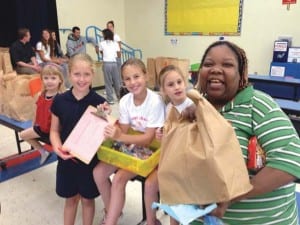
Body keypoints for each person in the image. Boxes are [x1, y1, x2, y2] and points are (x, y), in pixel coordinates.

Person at [182, 40, 300, 225]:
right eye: (208, 64)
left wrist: (232, 195)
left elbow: (291, 162)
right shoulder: (196, 109)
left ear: (241, 74)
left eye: (227, 64)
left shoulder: (258, 106)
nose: (215, 69)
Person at [93, 58, 165, 225]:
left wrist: (119, 136)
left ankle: (110, 220)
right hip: (130, 150)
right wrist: (106, 119)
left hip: (150, 154)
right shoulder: (125, 101)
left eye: (136, 76)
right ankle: (113, 210)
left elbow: (148, 139)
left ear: (146, 76)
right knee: (98, 173)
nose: (132, 82)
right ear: (123, 81)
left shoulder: (155, 101)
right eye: (127, 79)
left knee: (119, 179)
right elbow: (123, 130)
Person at [50, 53, 108, 225]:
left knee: (88, 200)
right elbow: (54, 131)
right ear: (69, 74)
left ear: (93, 75)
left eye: (86, 74)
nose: (82, 79)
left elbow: (102, 136)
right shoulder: (60, 101)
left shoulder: (99, 103)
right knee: (70, 200)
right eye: (77, 74)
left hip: (89, 162)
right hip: (67, 161)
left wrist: (105, 117)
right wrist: (57, 148)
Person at [147, 64, 194, 225]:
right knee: (173, 197)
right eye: (171, 85)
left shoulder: (192, 105)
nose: (176, 87)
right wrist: (161, 134)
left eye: (179, 82)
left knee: (185, 199)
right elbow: (168, 134)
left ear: (185, 82)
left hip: (189, 161)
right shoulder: (168, 108)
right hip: (173, 160)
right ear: (163, 90)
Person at [19, 63, 65, 165]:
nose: (49, 81)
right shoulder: (41, 95)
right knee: (22, 134)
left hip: (54, 131)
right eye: (46, 78)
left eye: (53, 78)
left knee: (62, 153)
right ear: (42, 80)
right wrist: (33, 125)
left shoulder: (61, 97)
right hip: (41, 128)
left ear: (60, 80)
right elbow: (37, 111)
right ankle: (43, 152)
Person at [98, 28, 121, 104]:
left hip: (106, 63)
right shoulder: (115, 43)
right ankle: (119, 97)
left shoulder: (102, 43)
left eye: (103, 34)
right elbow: (119, 54)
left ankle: (110, 99)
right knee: (117, 81)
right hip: (114, 63)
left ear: (105, 35)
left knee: (108, 82)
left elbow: (101, 52)